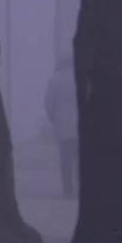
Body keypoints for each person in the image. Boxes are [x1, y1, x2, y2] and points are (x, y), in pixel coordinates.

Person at [44, 56, 78, 198]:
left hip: (62, 124)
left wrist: (53, 118)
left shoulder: (54, 80)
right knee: (79, 157)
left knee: (66, 159)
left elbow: (48, 103)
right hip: (79, 124)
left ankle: (67, 188)